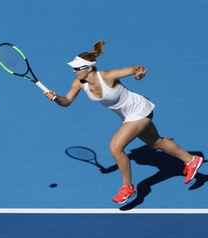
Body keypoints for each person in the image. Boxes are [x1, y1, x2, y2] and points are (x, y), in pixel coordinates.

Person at [44, 40, 203, 204]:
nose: (74, 71)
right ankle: (192, 160)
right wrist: (56, 98)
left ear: (89, 68)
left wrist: (139, 74)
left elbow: (134, 69)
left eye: (77, 68)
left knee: (115, 147)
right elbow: (67, 101)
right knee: (156, 143)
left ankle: (128, 187)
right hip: (128, 116)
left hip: (139, 110)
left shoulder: (107, 76)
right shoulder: (78, 84)